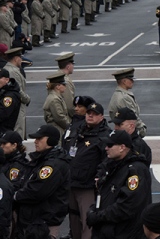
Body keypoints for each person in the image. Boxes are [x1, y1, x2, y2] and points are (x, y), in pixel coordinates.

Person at [86, 130, 152, 238]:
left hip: (124, 233)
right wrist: (93, 209)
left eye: (110, 145)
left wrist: (98, 216)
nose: (106, 148)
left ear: (122, 147)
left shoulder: (135, 171)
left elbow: (127, 206)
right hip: (108, 230)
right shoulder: (113, 166)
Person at [13, 124, 71, 238]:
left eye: (39, 139)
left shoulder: (54, 165)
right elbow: (24, 179)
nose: (35, 141)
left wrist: (15, 195)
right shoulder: (40, 159)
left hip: (44, 222)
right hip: (33, 219)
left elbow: (37, 190)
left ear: (50, 140)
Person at [64, 100, 110, 239]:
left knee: (87, 221)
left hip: (88, 187)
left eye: (94, 114)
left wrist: (99, 178)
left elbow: (107, 161)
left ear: (101, 117)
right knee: (73, 219)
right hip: (72, 183)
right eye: (89, 113)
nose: (90, 116)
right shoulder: (77, 130)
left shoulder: (105, 136)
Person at [108, 68, 147, 137]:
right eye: (131, 79)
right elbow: (132, 117)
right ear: (124, 81)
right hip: (127, 134)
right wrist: (142, 129)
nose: (133, 81)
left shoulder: (118, 94)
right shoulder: (124, 97)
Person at [55, 52, 76, 118]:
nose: (73, 67)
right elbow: (69, 106)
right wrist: (77, 117)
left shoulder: (56, 76)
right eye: (72, 64)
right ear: (68, 67)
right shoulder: (65, 81)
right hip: (65, 117)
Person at [0, 69, 21, 135]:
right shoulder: (2, 91)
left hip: (3, 133)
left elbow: (2, 114)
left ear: (7, 80)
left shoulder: (10, 97)